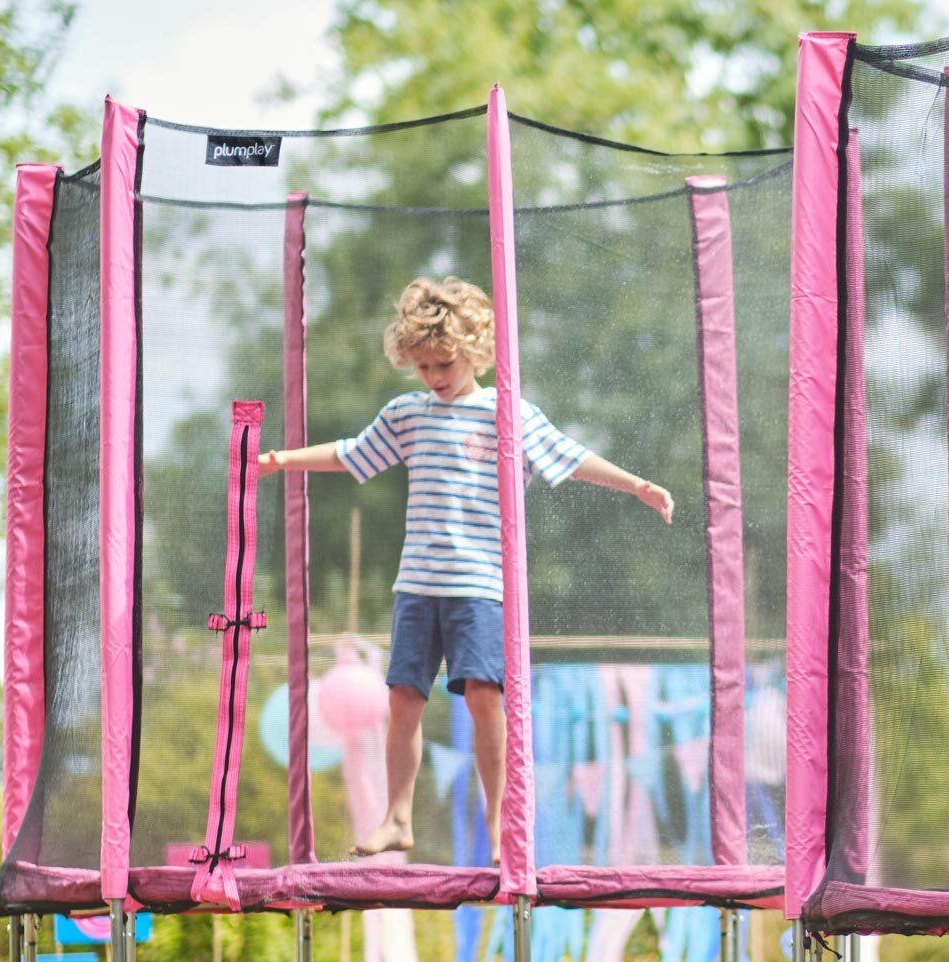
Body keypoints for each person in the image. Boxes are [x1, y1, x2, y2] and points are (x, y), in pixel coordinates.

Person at [259, 277, 673, 862]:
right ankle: (397, 819)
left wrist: (635, 484)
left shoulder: (507, 414)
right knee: (403, 699)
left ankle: (501, 819)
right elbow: (351, 452)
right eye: (423, 365)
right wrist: (285, 460)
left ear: (475, 350)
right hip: (418, 585)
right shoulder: (408, 414)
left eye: (444, 363)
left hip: (479, 586)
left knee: (483, 695)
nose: (434, 376)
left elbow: (570, 456)